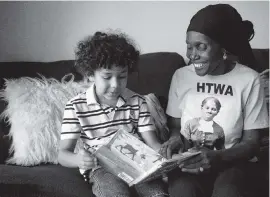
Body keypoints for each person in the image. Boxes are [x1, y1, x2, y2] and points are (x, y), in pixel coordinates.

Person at [159, 3, 269, 197]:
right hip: (188, 163)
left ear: (223, 48)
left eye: (201, 47)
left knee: (228, 191)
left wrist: (218, 157)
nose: (192, 55)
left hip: (231, 162)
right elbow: (175, 125)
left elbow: (252, 142)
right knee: (182, 191)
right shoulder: (181, 76)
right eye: (189, 46)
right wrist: (175, 138)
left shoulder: (249, 79)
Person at [58, 31, 168, 197]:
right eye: (107, 77)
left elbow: (152, 143)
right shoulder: (75, 106)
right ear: (90, 75)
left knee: (157, 193)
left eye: (122, 76)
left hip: (139, 165)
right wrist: (78, 160)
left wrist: (166, 161)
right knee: (115, 193)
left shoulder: (137, 101)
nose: (115, 84)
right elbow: (63, 154)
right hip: (101, 168)